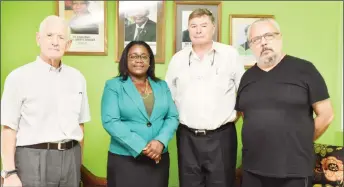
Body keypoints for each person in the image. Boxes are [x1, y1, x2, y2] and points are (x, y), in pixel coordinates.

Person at [235, 18, 334, 187]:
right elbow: (246, 115)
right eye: (256, 39)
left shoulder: (305, 69)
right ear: (251, 46)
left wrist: (300, 141)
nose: (263, 42)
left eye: (268, 36)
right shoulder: (247, 77)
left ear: (280, 37)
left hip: (294, 170)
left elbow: (326, 114)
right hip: (253, 169)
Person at [1, 15, 90, 187]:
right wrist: (9, 172)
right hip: (32, 159)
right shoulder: (18, 77)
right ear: (38, 39)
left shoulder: (78, 78)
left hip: (71, 158)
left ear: (68, 44)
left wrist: (77, 164)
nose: (55, 42)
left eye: (61, 37)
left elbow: (80, 124)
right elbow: (8, 128)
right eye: (49, 35)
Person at [165, 8, 245, 187]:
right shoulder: (178, 59)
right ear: (188, 29)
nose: (198, 30)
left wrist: (233, 116)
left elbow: (243, 93)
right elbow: (168, 96)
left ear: (213, 28)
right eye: (193, 26)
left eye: (203, 25)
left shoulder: (230, 55)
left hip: (221, 137)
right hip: (187, 136)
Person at [101, 41, 179, 187]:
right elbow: (110, 121)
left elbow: (172, 116)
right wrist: (144, 148)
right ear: (126, 60)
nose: (139, 60)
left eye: (144, 56)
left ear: (150, 61)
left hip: (158, 159)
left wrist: (160, 142)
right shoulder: (113, 86)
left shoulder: (162, 86)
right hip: (124, 160)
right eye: (133, 56)